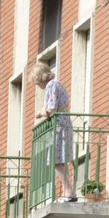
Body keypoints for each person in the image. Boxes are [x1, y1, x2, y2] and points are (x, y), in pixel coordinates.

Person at [30, 61, 76, 202]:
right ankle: (68, 192)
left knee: (56, 161)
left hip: (59, 126)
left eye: (37, 83)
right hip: (64, 124)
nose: (39, 87)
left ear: (40, 78)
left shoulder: (51, 85)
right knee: (59, 160)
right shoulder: (58, 84)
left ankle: (68, 192)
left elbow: (51, 108)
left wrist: (40, 112)